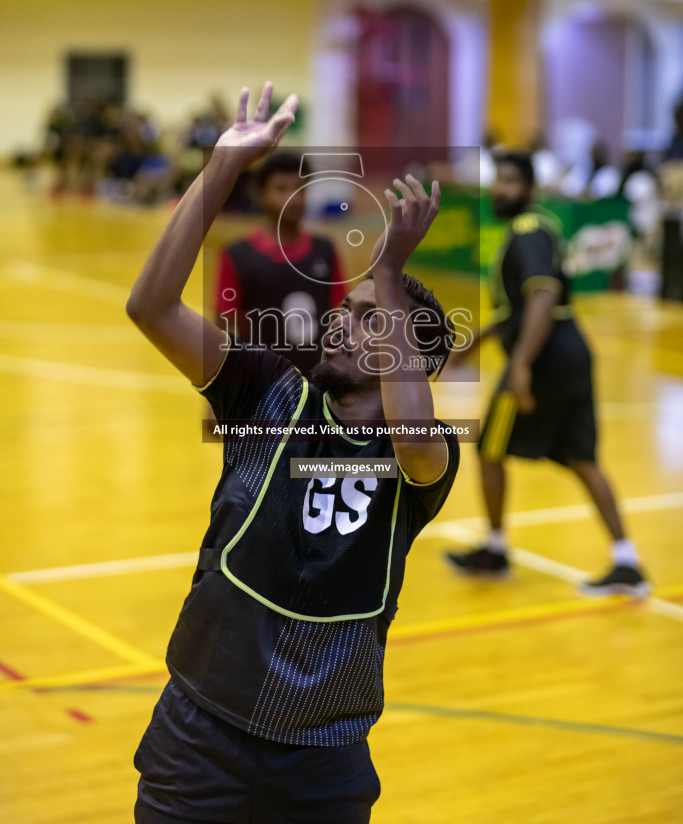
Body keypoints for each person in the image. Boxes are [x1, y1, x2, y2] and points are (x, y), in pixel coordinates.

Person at [126, 81, 460, 824]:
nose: (344, 324)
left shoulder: (425, 461)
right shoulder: (267, 390)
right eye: (347, 313)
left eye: (371, 320)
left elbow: (410, 437)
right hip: (202, 728)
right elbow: (149, 308)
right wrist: (221, 168)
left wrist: (384, 276)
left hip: (325, 753)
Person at [446, 150, 649, 597]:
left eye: (511, 181)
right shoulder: (538, 228)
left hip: (545, 357)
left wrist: (520, 365)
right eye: (498, 180)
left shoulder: (526, 231)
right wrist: (475, 345)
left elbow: (542, 297)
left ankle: (495, 550)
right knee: (583, 457)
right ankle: (626, 560)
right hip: (570, 350)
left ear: (530, 189)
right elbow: (517, 309)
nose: (501, 189)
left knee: (489, 447)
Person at [215, 150, 347, 376]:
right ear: (260, 195)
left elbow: (341, 317)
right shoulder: (237, 256)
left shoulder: (325, 250)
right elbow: (223, 331)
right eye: (281, 189)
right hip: (261, 386)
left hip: (316, 383)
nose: (293, 198)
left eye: (300, 188)